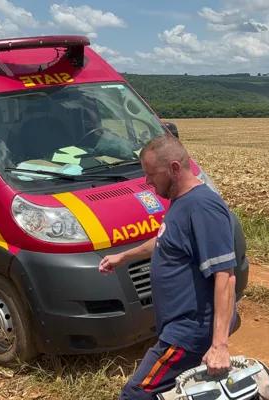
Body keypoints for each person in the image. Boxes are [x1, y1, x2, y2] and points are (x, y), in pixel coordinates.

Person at [99, 134, 238, 399]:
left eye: (151, 174)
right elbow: (166, 240)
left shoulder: (202, 207)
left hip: (189, 331)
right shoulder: (181, 200)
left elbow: (226, 276)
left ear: (174, 168)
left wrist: (219, 345)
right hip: (181, 326)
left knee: (136, 393)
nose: (147, 182)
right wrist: (124, 256)